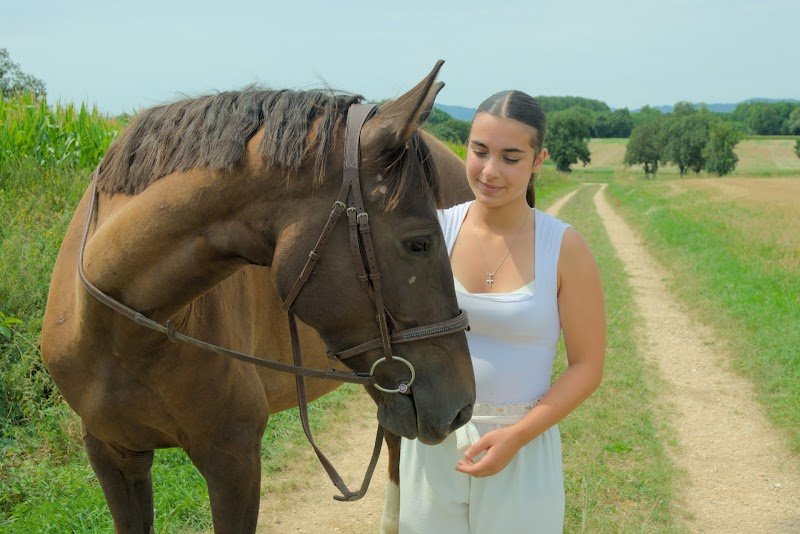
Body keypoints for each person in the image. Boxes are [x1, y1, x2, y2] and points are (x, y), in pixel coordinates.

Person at [398, 90, 605, 533]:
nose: (490, 171)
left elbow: (587, 366)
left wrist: (517, 437)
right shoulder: (435, 233)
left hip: (523, 448)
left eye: (511, 157)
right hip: (436, 440)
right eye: (479, 151)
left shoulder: (563, 248)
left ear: (538, 159)